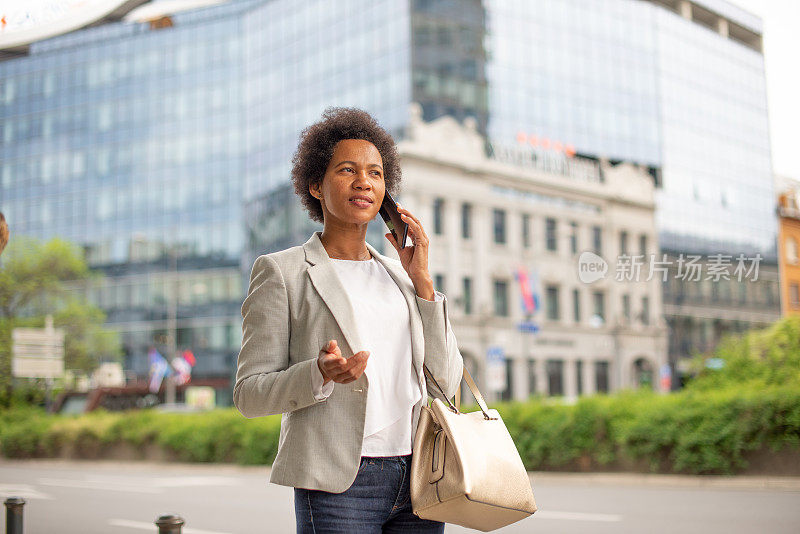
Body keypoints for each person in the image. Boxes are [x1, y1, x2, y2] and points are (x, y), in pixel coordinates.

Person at [233, 107, 463, 533]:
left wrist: (424, 283)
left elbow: (446, 381)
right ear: (315, 186)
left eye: (376, 173)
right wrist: (318, 374)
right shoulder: (281, 272)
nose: (364, 182)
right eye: (347, 170)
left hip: (420, 476)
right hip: (340, 484)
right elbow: (249, 394)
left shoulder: (401, 277)